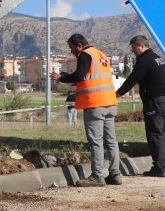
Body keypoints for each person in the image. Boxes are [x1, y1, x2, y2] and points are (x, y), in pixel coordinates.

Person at [50, 33, 121, 187]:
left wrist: (61, 78)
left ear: (79, 45)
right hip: (110, 102)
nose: (72, 52)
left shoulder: (85, 55)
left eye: (72, 48)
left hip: (95, 104)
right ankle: (115, 174)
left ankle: (97, 176)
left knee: (96, 141)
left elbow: (80, 75)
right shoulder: (101, 55)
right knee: (111, 141)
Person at [117, 35, 165, 177]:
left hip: (155, 102)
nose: (133, 51)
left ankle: (159, 168)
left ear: (142, 46)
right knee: (162, 135)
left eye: (134, 47)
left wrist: (117, 94)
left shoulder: (144, 60)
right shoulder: (157, 58)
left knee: (155, 134)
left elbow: (133, 79)